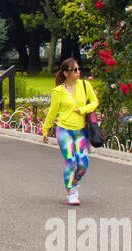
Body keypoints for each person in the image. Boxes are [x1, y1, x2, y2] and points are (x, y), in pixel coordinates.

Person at [41, 58, 99, 205]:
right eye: (75, 70)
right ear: (66, 73)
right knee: (71, 162)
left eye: (79, 69)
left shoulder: (85, 85)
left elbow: (94, 102)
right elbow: (52, 112)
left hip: (80, 131)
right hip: (64, 130)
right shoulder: (58, 91)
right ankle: (71, 193)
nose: (78, 72)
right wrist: (45, 129)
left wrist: (83, 110)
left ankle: (74, 182)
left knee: (83, 165)